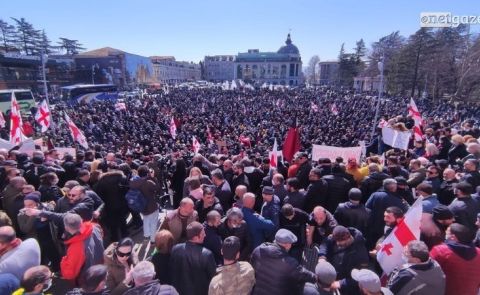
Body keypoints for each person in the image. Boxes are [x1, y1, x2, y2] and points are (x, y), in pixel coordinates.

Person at [251, 228, 316, 295]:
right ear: (287, 244)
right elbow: (304, 275)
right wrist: (316, 277)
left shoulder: (258, 250)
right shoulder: (290, 263)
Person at [430, 223, 480, 295]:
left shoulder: (440, 251)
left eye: (447, 233)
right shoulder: (479, 252)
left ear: (453, 237)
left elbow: (428, 272)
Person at [318, 226, 369, 294]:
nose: (339, 245)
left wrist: (340, 283)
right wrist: (322, 257)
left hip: (348, 287)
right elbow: (326, 243)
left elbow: (362, 276)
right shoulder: (338, 234)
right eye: (338, 243)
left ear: (349, 237)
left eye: (343, 244)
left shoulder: (361, 252)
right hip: (333, 277)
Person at [170, 221, 216, 295]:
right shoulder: (207, 254)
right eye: (203, 233)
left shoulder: (175, 249)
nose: (205, 235)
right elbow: (213, 277)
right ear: (195, 237)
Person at [60, 213, 104, 284]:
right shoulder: (94, 226)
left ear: (66, 228)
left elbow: (69, 274)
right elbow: (101, 234)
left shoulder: (76, 248)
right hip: (99, 264)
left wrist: (64, 260)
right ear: (81, 221)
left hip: (88, 276)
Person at [366, 179, 408, 249]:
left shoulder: (375, 195)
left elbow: (367, 207)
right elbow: (403, 211)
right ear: (394, 188)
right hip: (388, 226)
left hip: (373, 222)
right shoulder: (398, 200)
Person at [129, 165, 160, 244]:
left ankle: (146, 236)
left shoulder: (133, 182)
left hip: (141, 206)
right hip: (151, 205)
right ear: (147, 173)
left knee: (146, 220)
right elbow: (157, 188)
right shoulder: (148, 182)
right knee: (153, 223)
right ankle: (153, 240)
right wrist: (153, 177)